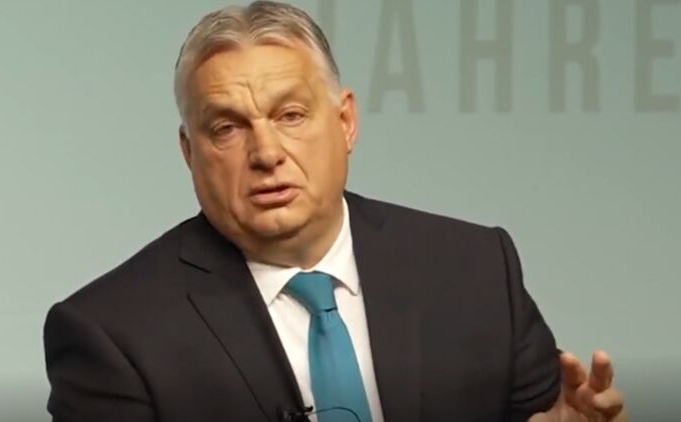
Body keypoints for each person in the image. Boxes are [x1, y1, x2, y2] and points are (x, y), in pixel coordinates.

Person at [43, 1, 627, 421]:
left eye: (291, 116)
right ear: (189, 153)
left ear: (345, 122)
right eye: (227, 128)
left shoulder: (475, 269)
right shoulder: (112, 334)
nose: (266, 153)